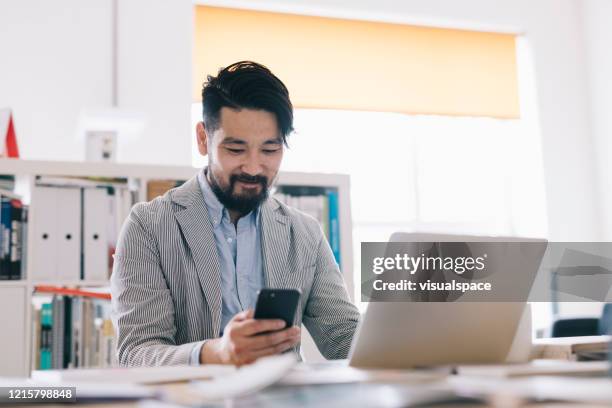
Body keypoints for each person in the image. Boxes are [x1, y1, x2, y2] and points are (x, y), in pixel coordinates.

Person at [111, 61, 360, 366]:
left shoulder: (304, 232)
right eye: (236, 150)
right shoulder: (148, 225)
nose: (254, 168)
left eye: (269, 150)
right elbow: (135, 353)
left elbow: (344, 337)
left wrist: (410, 339)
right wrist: (217, 353)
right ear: (204, 139)